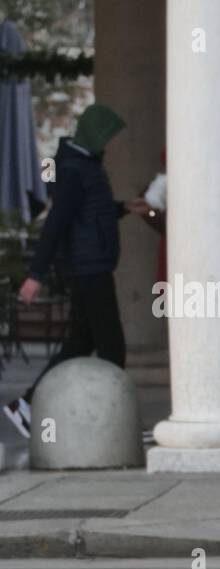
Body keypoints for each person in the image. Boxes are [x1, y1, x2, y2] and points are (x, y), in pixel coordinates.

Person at [4, 104, 150, 438]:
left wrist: (124, 207)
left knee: (80, 342)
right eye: (108, 137)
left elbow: (89, 214)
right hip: (88, 267)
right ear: (97, 134)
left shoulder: (81, 164)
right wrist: (35, 275)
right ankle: (116, 424)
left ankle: (25, 405)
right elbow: (57, 221)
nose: (110, 144)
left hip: (91, 263)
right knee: (111, 346)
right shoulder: (73, 168)